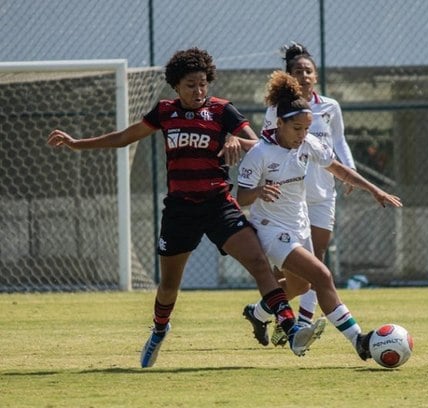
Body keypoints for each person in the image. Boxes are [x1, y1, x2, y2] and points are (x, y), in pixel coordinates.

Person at [46, 47, 325, 367]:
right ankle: (159, 329)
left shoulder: (222, 111)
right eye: (191, 85)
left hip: (219, 205)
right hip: (180, 210)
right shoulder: (165, 112)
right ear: (176, 86)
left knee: (259, 264)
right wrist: (77, 143)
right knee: (168, 285)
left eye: (203, 83)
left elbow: (259, 144)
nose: (199, 90)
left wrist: (236, 141)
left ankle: (290, 330)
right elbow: (126, 136)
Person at [237, 70, 402, 360]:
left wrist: (373, 189)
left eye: (306, 128)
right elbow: (240, 197)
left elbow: (336, 167)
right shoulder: (260, 154)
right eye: (297, 129)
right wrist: (260, 191)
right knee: (323, 276)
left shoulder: (308, 143)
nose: (302, 135)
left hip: (299, 223)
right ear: (280, 123)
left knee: (302, 285)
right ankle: (359, 342)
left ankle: (258, 312)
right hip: (270, 229)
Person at [244, 42, 358, 347]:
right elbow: (267, 147)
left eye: (309, 70)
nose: (304, 75)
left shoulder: (329, 107)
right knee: (313, 271)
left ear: (316, 76)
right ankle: (303, 327)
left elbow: (338, 144)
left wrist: (354, 174)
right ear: (290, 77)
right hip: (285, 200)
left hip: (320, 195)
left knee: (311, 270)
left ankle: (267, 312)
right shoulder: (277, 114)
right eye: (298, 71)